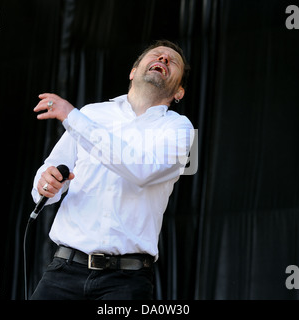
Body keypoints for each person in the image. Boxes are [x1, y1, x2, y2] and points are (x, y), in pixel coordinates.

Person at [30, 40, 194, 300]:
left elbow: (142, 170)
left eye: (171, 61)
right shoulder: (91, 114)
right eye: (156, 55)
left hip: (125, 281)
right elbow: (49, 173)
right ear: (133, 71)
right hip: (64, 270)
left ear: (179, 92)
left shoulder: (181, 129)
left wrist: (72, 117)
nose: (163, 59)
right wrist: (45, 183)